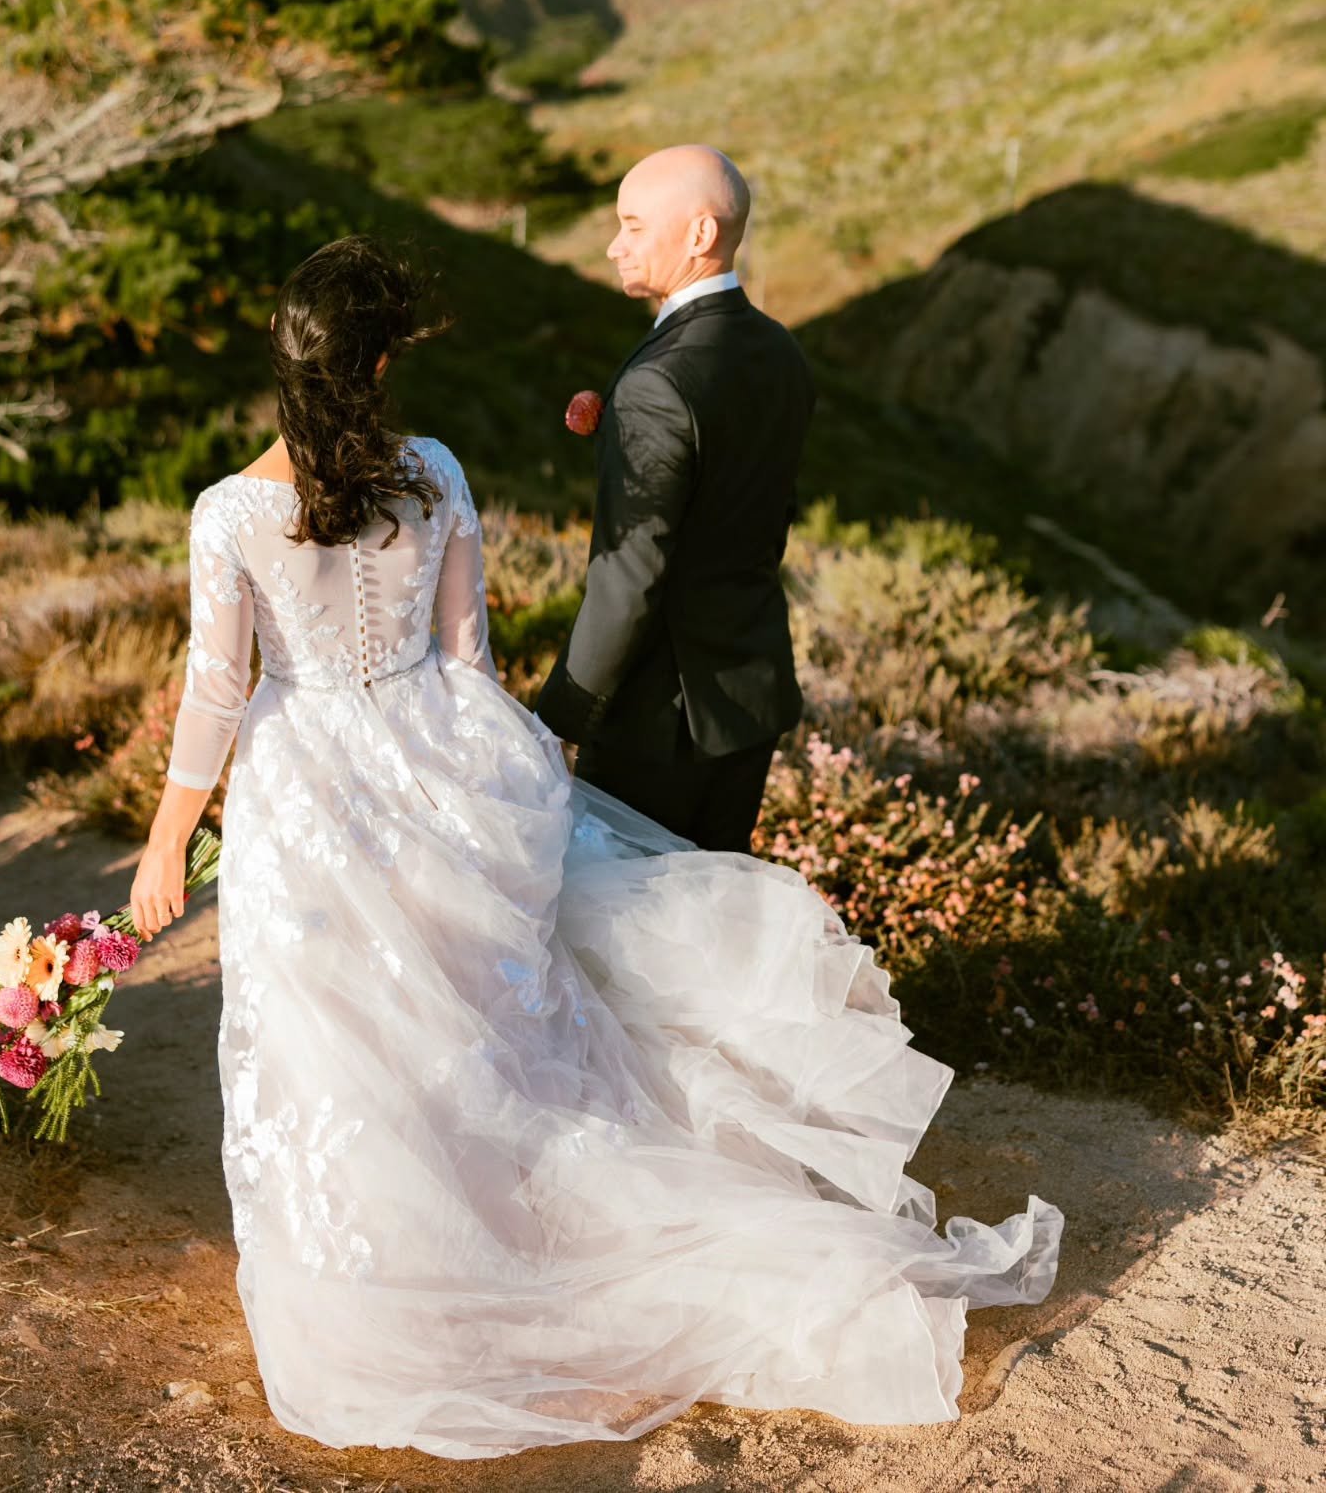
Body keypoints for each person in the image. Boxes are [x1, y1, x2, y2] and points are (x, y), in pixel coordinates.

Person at [129, 230, 1063, 1461]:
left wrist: (163, 843)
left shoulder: (229, 512)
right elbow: (469, 664)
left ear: (285, 358)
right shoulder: (438, 472)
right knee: (470, 1022)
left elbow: (215, 691)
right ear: (381, 358)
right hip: (432, 755)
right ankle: (500, 1240)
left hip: (308, 787)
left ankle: (389, 1291)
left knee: (337, 1045)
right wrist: (509, 781)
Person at [536, 144, 813, 853]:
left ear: (699, 234)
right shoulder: (781, 351)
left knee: (620, 932)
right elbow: (757, 503)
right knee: (711, 925)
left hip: (659, 719)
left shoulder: (660, 380)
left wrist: (562, 713)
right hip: (750, 695)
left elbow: (631, 574)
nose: (613, 245)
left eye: (632, 226)